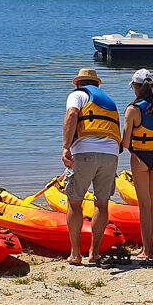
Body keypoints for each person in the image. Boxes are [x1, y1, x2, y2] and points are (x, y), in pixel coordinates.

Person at [61, 68, 121, 266]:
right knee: (102, 205)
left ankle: (75, 254)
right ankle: (94, 253)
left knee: (74, 203)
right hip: (111, 155)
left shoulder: (77, 95)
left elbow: (72, 115)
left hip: (85, 152)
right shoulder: (110, 102)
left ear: (79, 83)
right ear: (97, 84)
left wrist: (65, 147)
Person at [120, 68, 153, 264]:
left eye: (133, 85)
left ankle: (146, 250)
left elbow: (125, 143)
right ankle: (149, 247)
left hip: (140, 159)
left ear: (137, 87)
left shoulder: (132, 110)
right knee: (151, 204)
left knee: (144, 205)